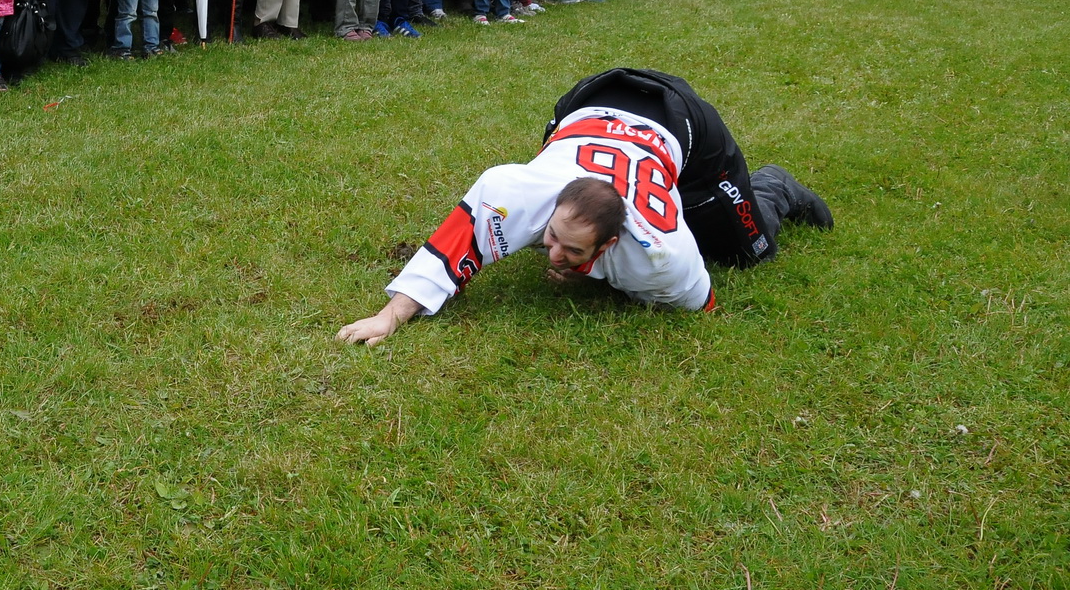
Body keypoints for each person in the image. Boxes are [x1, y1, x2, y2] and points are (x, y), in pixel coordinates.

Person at [337, 68, 833, 344]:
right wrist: (388, 317)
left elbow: (704, 303)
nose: (550, 253)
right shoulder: (514, 191)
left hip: (685, 124)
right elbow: (447, 256)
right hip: (588, 100)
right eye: (550, 237)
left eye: (572, 251)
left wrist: (601, 278)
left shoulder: (662, 256)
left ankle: (776, 187)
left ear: (612, 244)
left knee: (748, 252)